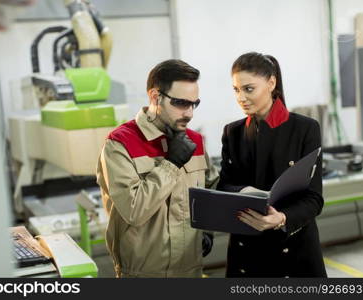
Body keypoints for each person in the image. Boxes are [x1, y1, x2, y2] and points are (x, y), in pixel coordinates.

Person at [96, 59, 219, 278]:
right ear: (155, 97)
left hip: (191, 271)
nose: (189, 113)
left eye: (194, 104)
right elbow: (134, 210)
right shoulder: (120, 144)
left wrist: (207, 229)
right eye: (181, 103)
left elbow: (209, 193)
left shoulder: (195, 141)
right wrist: (171, 165)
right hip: (143, 275)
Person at [218, 52, 327, 277]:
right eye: (236, 90)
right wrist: (243, 192)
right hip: (246, 250)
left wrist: (282, 218)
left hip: (293, 250)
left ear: (271, 83)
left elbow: (314, 198)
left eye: (249, 89)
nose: (241, 97)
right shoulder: (232, 132)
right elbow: (224, 185)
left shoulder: (305, 129)